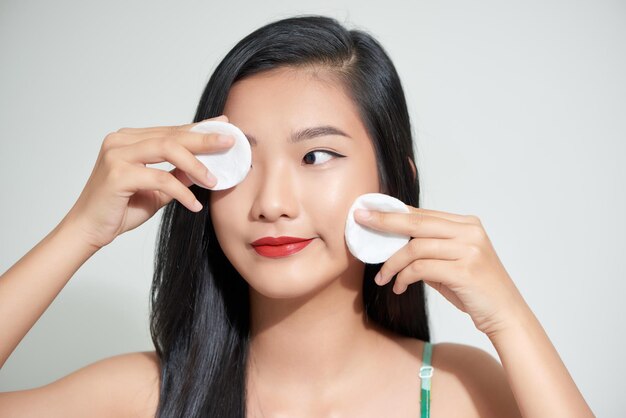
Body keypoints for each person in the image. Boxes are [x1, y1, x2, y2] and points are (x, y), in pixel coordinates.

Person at [0, 15, 594, 418]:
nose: (272, 202)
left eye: (316, 155)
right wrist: (80, 231)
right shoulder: (146, 394)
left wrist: (510, 319)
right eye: (241, 159)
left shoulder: (461, 389)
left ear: (396, 181)